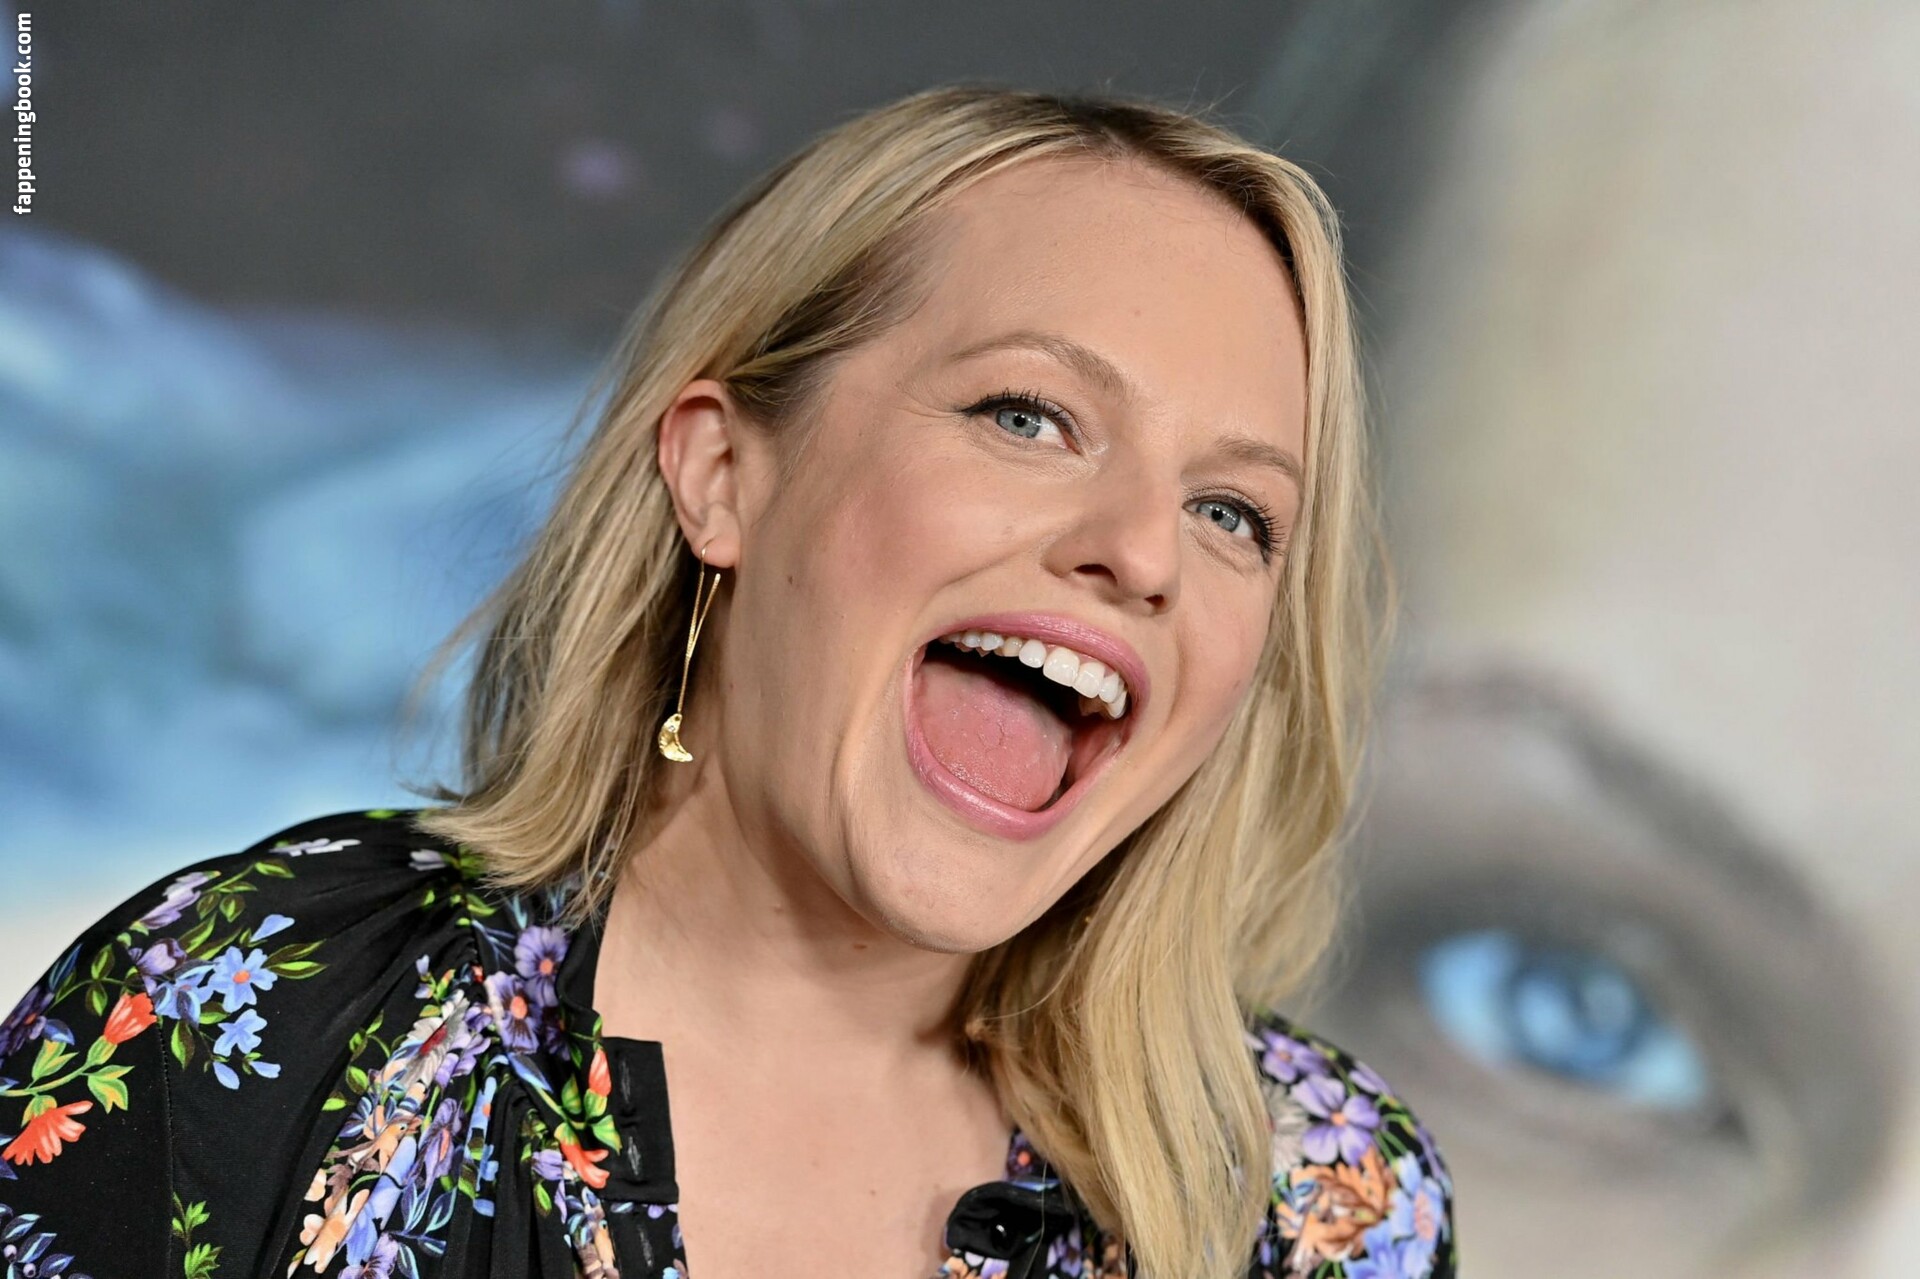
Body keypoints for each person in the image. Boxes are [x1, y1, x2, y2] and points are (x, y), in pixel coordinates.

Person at [0, 86, 1455, 1279]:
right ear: (720, 473)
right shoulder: (253, 1019)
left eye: (1233, 513)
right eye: (1029, 416)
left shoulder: (1327, 1207)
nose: (1142, 552)